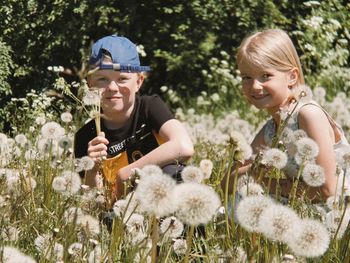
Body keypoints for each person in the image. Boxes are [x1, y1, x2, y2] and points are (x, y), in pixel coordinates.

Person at [222, 29, 349, 202]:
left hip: (336, 213)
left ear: (292, 76)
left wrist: (268, 184)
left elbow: (329, 191)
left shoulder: (308, 115)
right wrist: (255, 172)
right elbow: (226, 183)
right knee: (239, 199)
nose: (254, 86)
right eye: (246, 77)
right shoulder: (271, 129)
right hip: (300, 206)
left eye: (265, 76)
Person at [74, 34, 194, 200]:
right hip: (118, 216)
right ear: (90, 83)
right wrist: (92, 170)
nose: (112, 87)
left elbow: (184, 146)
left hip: (164, 201)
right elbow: (95, 207)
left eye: (122, 78)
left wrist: (125, 175)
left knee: (173, 174)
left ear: (138, 82)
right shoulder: (84, 137)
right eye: (102, 79)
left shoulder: (149, 107)